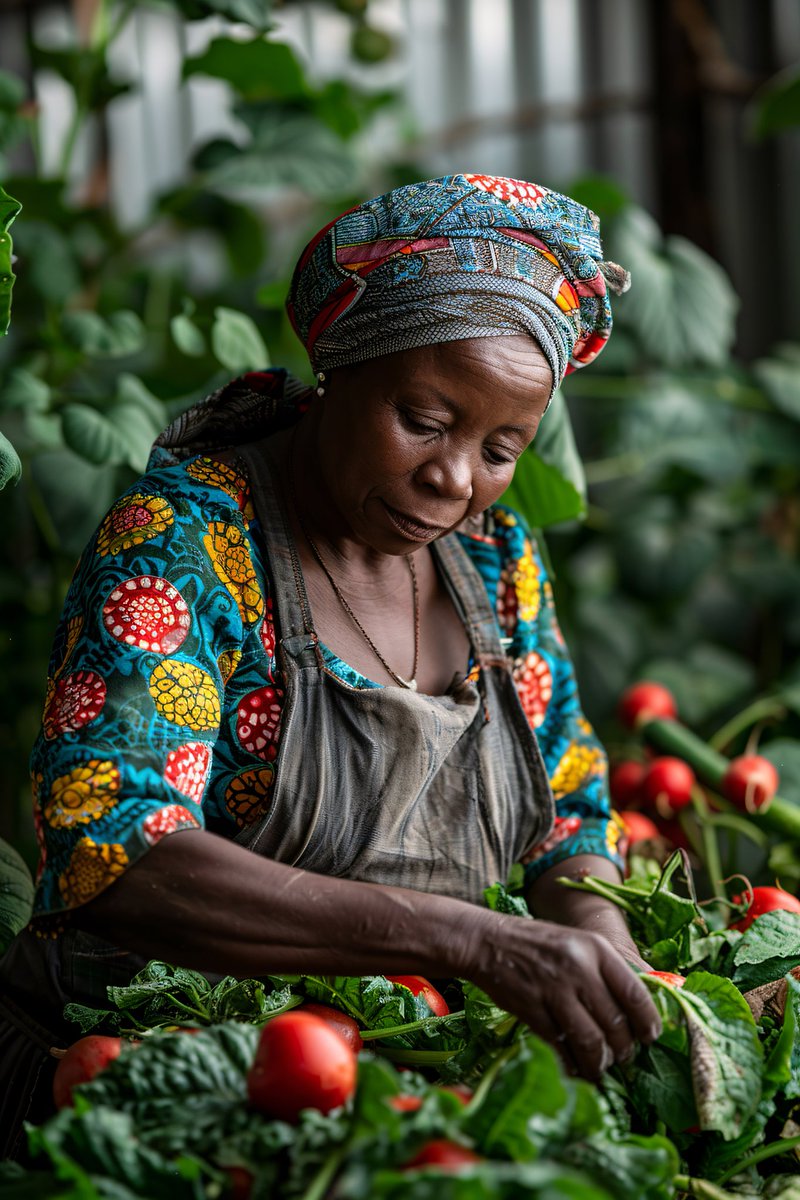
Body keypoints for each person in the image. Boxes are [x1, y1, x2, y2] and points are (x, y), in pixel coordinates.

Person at [0, 173, 660, 1159]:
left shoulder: (495, 562)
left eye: (499, 446)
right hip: (143, 1079)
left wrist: (606, 966)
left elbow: (565, 814)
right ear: (338, 370)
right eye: (425, 419)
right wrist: (471, 941)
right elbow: (120, 855)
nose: (452, 478)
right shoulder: (186, 543)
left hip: (380, 1065)